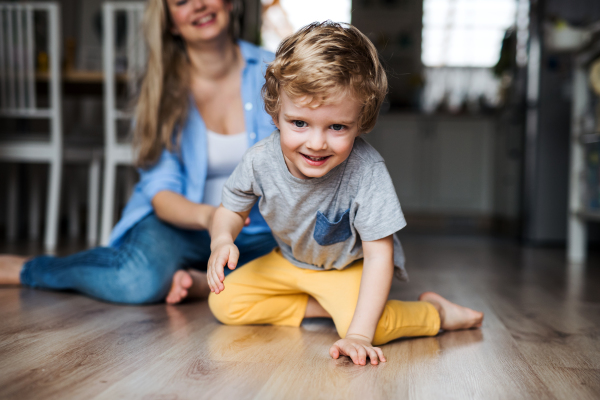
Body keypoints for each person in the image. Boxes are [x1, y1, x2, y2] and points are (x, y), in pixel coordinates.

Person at [198, 22, 484, 366]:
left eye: (337, 127)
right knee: (224, 302)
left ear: (361, 120)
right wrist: (221, 240)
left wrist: (359, 335)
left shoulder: (367, 171)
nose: (316, 143)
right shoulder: (259, 159)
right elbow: (230, 207)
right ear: (275, 113)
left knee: (364, 327)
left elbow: (380, 255)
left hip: (348, 268)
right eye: (299, 123)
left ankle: (436, 312)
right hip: (289, 261)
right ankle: (326, 308)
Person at [0, 0, 277, 304]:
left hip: (263, 232)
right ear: (171, 21)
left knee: (311, 266)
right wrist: (214, 218)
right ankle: (30, 268)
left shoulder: (277, 70)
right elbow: (161, 193)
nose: (198, 5)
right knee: (136, 281)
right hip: (182, 225)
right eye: (181, 2)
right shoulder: (159, 88)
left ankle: (201, 283)